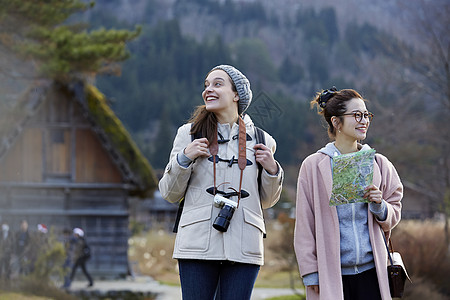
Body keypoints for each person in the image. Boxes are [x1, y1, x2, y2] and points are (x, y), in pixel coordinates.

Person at [158, 64, 284, 300]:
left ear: (237, 95)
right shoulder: (189, 134)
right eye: (206, 85)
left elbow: (267, 202)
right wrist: (185, 158)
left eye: (217, 84)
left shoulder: (263, 140)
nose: (208, 90)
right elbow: (169, 193)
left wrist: (272, 169)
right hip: (197, 242)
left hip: (245, 243)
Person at [294, 87, 403, 300]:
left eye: (366, 115)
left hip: (373, 272)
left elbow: (394, 211)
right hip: (332, 274)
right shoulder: (314, 166)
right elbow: (304, 225)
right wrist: (310, 272)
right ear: (336, 122)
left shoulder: (379, 163)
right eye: (356, 115)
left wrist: (380, 206)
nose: (364, 120)